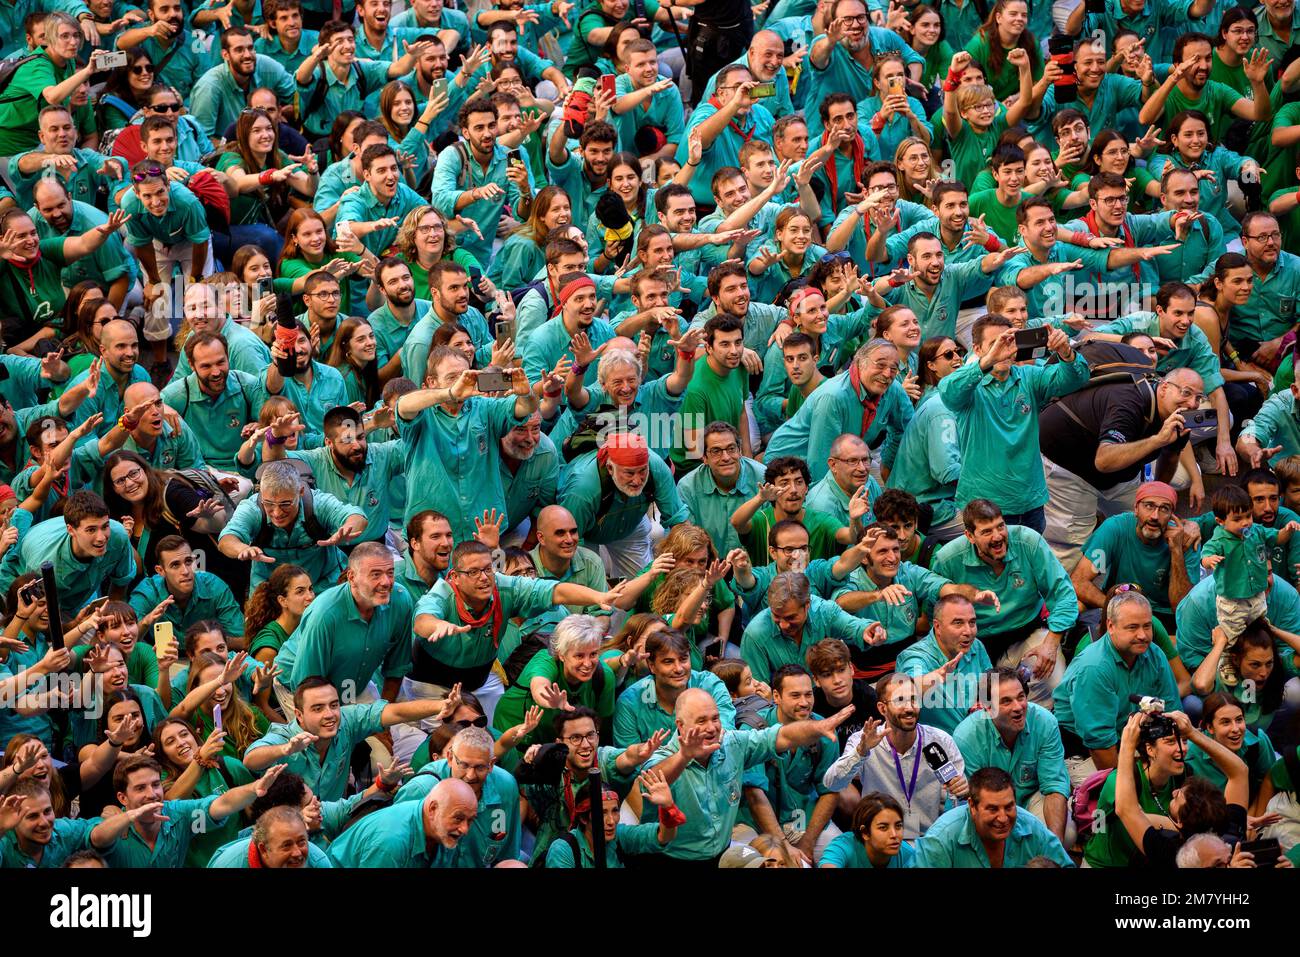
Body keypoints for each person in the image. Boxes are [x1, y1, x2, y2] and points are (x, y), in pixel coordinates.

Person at [638, 686, 853, 867]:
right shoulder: (664, 756)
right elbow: (653, 779)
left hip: (721, 856)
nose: (711, 727)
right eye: (701, 721)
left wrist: (817, 727)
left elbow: (782, 736)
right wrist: (684, 756)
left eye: (715, 718)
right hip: (672, 859)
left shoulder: (732, 743)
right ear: (680, 726)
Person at [1040, 367, 1203, 569]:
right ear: (1164, 388)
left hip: (1121, 474)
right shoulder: (1128, 402)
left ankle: (1135, 579)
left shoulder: (1180, 418)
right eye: (1186, 393)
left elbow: (1170, 457)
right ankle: (1068, 596)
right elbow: (1104, 460)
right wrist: (1157, 440)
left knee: (1151, 521)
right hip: (1068, 466)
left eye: (1198, 398)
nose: (1192, 404)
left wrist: (1158, 496)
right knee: (1072, 549)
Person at [931, 499, 1077, 705]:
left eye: (1001, 526)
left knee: (1053, 683)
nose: (998, 536)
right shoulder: (947, 559)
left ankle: (1035, 729)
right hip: (974, 643)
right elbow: (935, 611)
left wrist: (1051, 643)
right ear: (969, 536)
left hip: (1027, 632)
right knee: (971, 701)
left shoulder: (1028, 542)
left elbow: (1063, 594)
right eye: (987, 531)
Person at [1055, 590, 1182, 785]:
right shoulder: (1094, 667)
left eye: (1147, 626)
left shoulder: (1155, 654)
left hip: (1132, 737)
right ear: (1111, 626)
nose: (1142, 635)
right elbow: (1100, 745)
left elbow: (1171, 712)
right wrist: (1132, 785)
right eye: (1132, 627)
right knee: (1118, 798)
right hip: (1082, 751)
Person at [823, 673, 967, 840]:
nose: (909, 708)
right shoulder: (863, 740)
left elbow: (958, 796)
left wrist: (963, 789)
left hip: (930, 838)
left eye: (913, 699)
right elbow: (832, 783)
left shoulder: (940, 741)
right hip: (881, 840)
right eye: (900, 700)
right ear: (882, 708)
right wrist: (860, 753)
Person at [953, 667, 1071, 844]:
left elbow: (1054, 786)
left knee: (1066, 833)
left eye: (1021, 697)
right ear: (987, 707)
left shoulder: (1045, 722)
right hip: (992, 808)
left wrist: (1056, 846)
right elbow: (974, 802)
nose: (1018, 707)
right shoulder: (966, 737)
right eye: (1006, 701)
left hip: (1031, 799)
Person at [1201, 483, 1300, 682]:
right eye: (1237, 519)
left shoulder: (1257, 531)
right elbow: (1206, 553)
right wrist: (1209, 560)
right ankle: (1229, 660)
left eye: (1248, 516)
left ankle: (1257, 665)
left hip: (1256, 594)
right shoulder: (1220, 538)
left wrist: (1288, 530)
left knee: (1260, 627)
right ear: (1220, 521)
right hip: (1232, 599)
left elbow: (1278, 538)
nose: (1245, 522)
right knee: (1233, 633)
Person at [390, 725, 522, 867]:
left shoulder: (506, 787)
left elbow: (508, 853)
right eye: (464, 765)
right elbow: (393, 846)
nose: (470, 776)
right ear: (450, 757)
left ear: (491, 764)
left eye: (480, 767)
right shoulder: (421, 790)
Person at [913, 767, 1074, 868]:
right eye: (992, 809)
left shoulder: (1031, 827)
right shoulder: (941, 838)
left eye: (1009, 807)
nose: (1003, 818)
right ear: (972, 806)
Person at [325, 776, 478, 866]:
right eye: (458, 818)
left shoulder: (443, 831)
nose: (464, 829)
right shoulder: (390, 842)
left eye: (470, 820)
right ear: (432, 809)